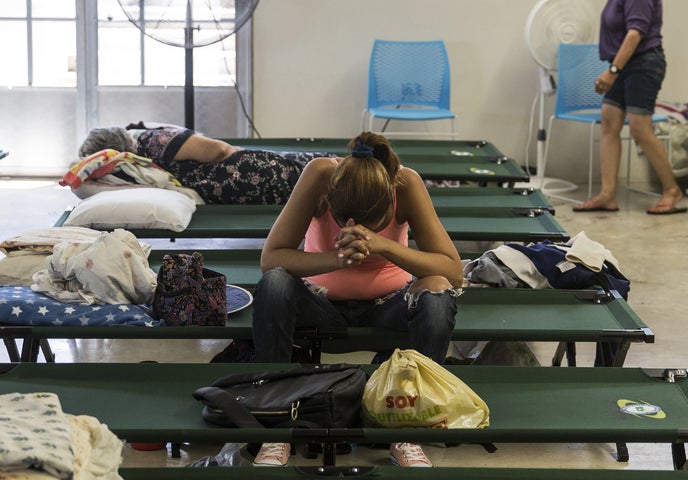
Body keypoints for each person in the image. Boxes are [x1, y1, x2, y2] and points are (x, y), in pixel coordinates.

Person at [249, 131, 463, 467]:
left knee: (437, 289)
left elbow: (453, 269)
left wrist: (385, 246)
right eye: (344, 221)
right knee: (273, 282)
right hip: (322, 304)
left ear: (389, 202)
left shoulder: (405, 183)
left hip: (388, 305)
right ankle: (276, 426)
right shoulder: (320, 175)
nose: (353, 227)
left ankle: (405, 427)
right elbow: (271, 258)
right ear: (331, 199)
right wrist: (337, 259)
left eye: (367, 225)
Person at [573, 0, 687, 215]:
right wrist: (615, 68)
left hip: (642, 64)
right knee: (609, 121)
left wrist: (613, 71)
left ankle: (672, 190)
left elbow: (635, 33)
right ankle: (608, 195)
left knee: (639, 129)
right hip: (625, 64)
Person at [77, 124, 317, 204]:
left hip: (253, 185)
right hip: (260, 172)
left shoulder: (139, 164)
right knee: (328, 175)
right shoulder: (154, 141)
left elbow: (215, 153)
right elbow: (218, 149)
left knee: (326, 179)